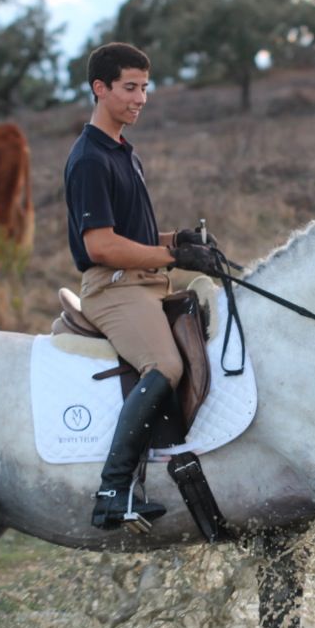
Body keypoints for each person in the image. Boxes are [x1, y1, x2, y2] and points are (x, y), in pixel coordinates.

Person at [65, 42, 223, 531]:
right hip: (113, 288)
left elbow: (133, 236)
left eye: (145, 88)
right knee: (168, 364)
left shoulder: (123, 153)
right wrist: (173, 257)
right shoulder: (90, 158)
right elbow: (102, 246)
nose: (140, 99)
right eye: (130, 88)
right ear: (100, 88)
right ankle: (113, 490)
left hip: (144, 282)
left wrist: (180, 240)